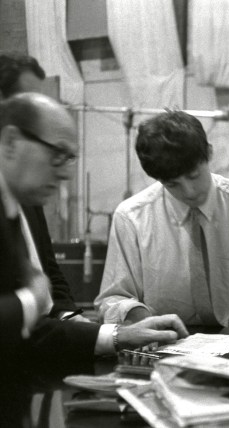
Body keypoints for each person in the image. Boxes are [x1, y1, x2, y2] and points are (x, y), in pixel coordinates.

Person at [0, 93, 189, 426]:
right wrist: (32, 297)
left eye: (71, 158)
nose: (67, 174)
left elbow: (32, 331)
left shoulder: (20, 203)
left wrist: (118, 335)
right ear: (12, 141)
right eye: (57, 154)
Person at [96, 111, 229, 330]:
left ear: (208, 153)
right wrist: (139, 316)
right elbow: (112, 299)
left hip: (220, 338)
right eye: (173, 185)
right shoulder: (131, 217)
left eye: (193, 176)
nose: (188, 191)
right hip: (156, 340)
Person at [0, 51, 87, 321]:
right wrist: (30, 301)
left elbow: (48, 270)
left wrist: (75, 321)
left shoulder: (22, 191)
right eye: (24, 103)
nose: (65, 175)